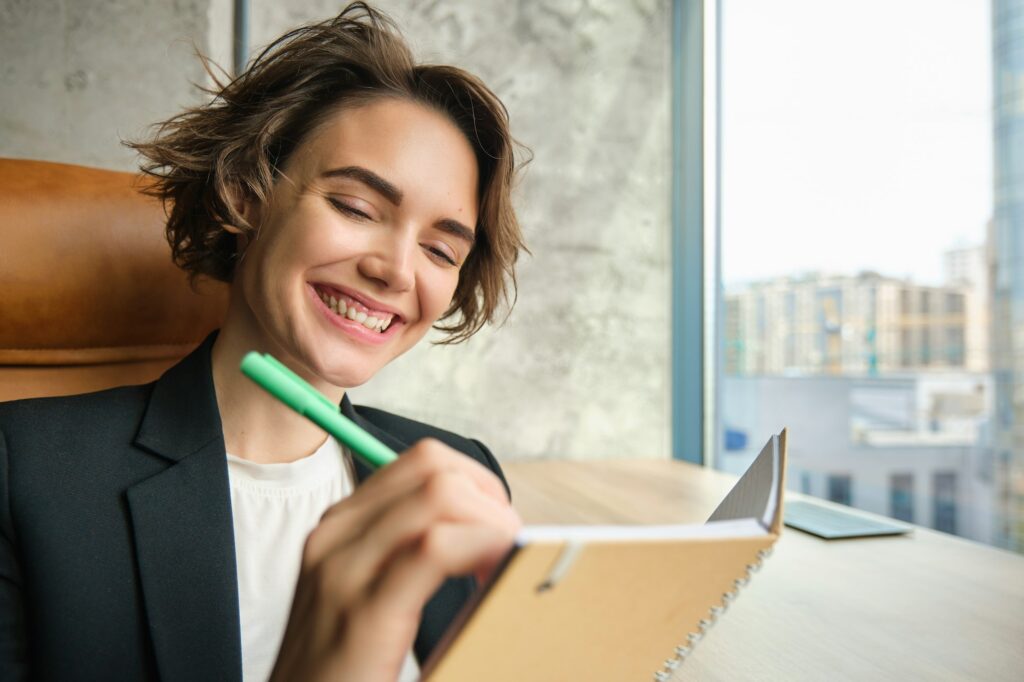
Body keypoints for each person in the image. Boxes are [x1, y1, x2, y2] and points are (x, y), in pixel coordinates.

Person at [0, 3, 528, 680]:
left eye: (440, 249)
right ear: (247, 193)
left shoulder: (460, 472)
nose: (396, 270)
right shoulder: (23, 473)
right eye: (356, 208)